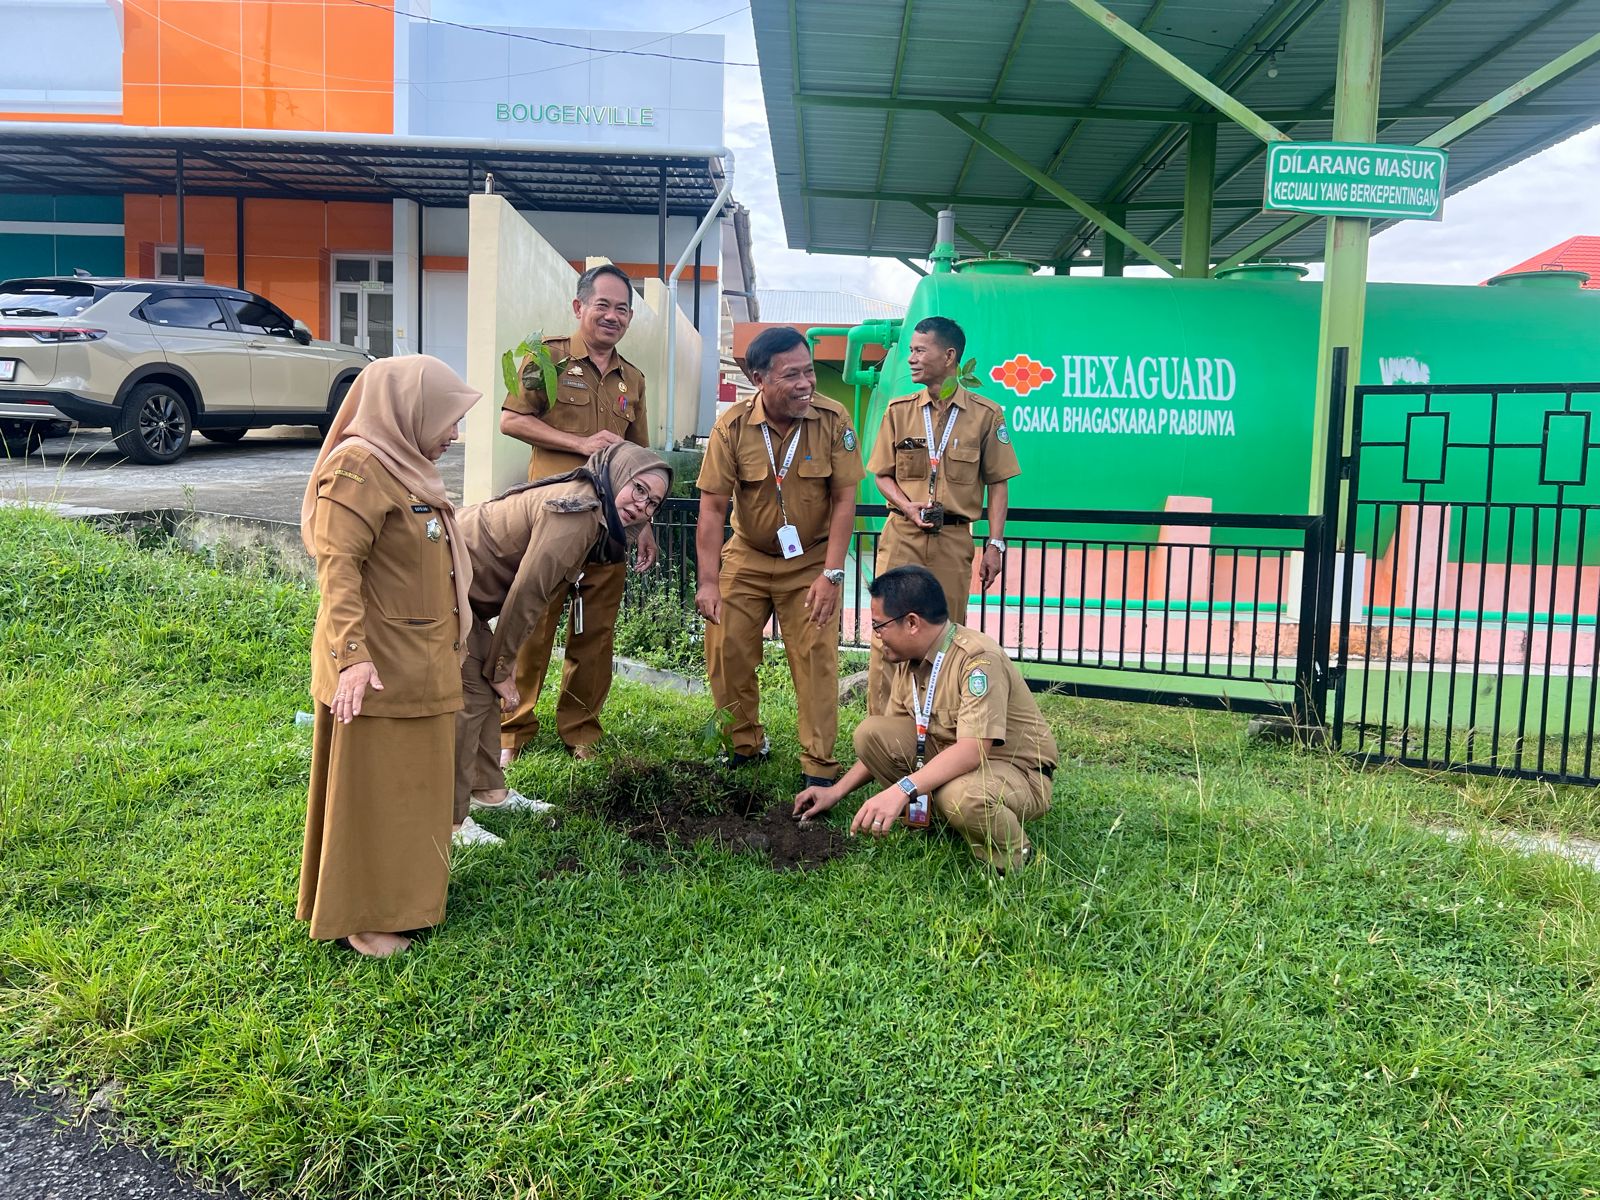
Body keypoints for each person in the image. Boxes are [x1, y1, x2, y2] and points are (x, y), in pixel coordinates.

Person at [296, 355, 479, 958]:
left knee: (411, 790)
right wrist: (352, 656)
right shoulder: (358, 467)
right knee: (374, 793)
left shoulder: (407, 469)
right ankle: (365, 919)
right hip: (378, 670)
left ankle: (405, 900)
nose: (454, 434)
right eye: (447, 419)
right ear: (408, 409)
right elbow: (337, 568)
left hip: (417, 661)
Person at [455, 443, 672, 839]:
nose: (642, 506)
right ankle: (450, 820)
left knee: (481, 690)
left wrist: (498, 662)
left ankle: (488, 792)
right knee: (471, 693)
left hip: (467, 592)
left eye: (653, 503)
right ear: (617, 474)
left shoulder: (596, 507)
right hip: (444, 582)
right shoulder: (580, 513)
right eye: (638, 489)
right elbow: (529, 591)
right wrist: (504, 665)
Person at [793, 565, 1057, 872]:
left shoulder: (977, 660)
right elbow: (891, 741)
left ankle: (1015, 859)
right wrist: (835, 791)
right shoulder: (910, 661)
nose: (877, 637)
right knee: (871, 734)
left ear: (912, 623)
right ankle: (944, 817)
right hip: (954, 759)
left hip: (1015, 771)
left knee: (963, 796)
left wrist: (900, 790)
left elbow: (974, 751)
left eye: (880, 627)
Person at [497, 263, 656, 765]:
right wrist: (579, 443)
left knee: (596, 632)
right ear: (579, 307)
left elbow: (639, 459)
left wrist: (643, 522)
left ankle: (581, 729)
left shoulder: (633, 378)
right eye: (602, 305)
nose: (612, 316)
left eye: (622, 309)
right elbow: (510, 419)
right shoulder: (544, 359)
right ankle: (511, 729)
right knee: (533, 624)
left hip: (607, 527)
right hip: (552, 518)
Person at [695, 326, 864, 788]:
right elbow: (712, 509)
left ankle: (819, 765)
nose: (806, 383)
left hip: (811, 561)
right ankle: (744, 743)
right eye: (792, 375)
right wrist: (709, 581)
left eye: (809, 371)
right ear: (758, 378)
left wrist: (832, 573)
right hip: (746, 556)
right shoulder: (731, 427)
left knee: (815, 659)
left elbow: (845, 501)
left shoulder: (833, 420)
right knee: (726, 650)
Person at [865, 316, 1020, 714]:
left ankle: (939, 726)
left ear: (949, 356)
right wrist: (906, 505)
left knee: (946, 635)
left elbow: (999, 483)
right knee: (887, 633)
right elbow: (881, 474)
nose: (911, 359)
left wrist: (995, 545)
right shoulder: (899, 411)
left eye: (920, 351)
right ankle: (882, 730)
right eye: (910, 350)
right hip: (902, 535)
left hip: (953, 541)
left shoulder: (986, 415)